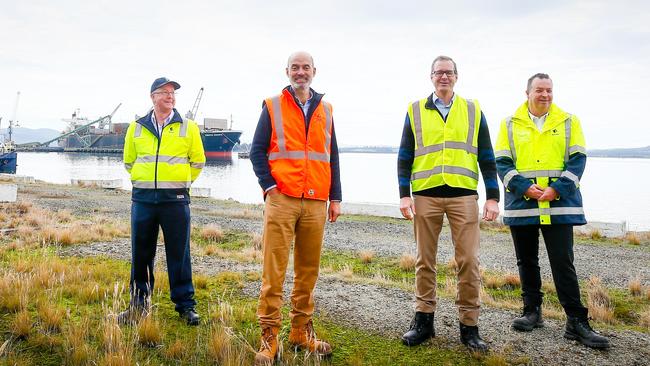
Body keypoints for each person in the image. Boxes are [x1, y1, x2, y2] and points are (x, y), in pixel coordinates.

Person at [495, 73, 609, 349]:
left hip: (559, 204)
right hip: (523, 204)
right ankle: (532, 312)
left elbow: (578, 160)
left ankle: (576, 321)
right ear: (527, 93)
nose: (545, 95)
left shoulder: (569, 121)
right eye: (539, 90)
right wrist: (524, 187)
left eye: (549, 90)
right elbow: (501, 161)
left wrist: (557, 189)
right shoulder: (509, 124)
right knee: (527, 261)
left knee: (562, 262)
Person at [397, 55, 500, 352]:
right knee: (424, 261)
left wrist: (492, 196)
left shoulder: (473, 109)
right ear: (431, 76)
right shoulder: (415, 110)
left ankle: (469, 326)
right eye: (439, 72)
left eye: (449, 73)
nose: (444, 77)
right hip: (425, 194)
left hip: (464, 195)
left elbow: (487, 157)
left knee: (468, 261)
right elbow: (405, 155)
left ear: (457, 77)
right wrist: (404, 193)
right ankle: (423, 323)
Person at [250, 51, 341, 365]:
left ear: (314, 71)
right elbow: (256, 151)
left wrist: (336, 198)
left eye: (305, 67)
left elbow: (333, 157)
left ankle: (300, 331)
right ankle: (269, 336)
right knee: (273, 270)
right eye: (295, 68)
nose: (300, 72)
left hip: (316, 200)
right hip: (283, 198)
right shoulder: (272, 106)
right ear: (286, 71)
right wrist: (269, 186)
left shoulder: (326, 110)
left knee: (308, 271)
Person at [121, 77, 206, 325]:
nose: (170, 96)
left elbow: (198, 162)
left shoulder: (188, 127)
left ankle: (185, 306)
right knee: (141, 254)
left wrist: (180, 183)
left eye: (173, 93)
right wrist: (143, 180)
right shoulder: (135, 128)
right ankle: (138, 305)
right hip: (143, 199)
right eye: (164, 92)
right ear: (152, 97)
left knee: (179, 254)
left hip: (176, 200)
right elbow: (129, 162)